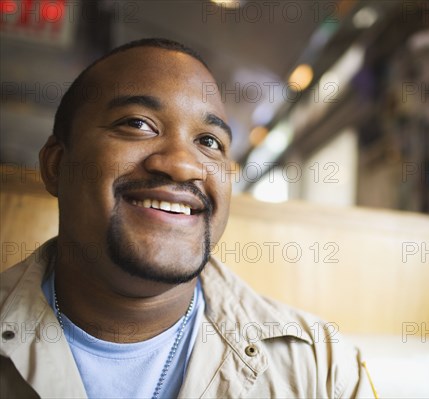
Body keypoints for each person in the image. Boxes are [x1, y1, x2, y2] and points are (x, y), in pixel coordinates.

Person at [0, 38, 376, 398]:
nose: (182, 165)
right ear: (57, 165)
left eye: (209, 142)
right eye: (137, 123)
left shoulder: (321, 369)